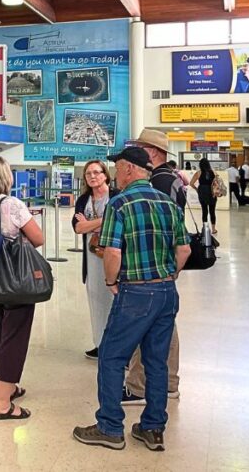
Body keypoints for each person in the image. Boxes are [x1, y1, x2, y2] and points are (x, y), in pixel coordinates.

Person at [73, 146, 190, 453]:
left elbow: (111, 252)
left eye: (117, 169)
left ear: (128, 169)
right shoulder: (168, 203)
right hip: (166, 292)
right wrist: (169, 275)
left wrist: (111, 281)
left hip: (135, 292)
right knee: (156, 360)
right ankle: (153, 428)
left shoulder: (120, 204)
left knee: (111, 356)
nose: (115, 175)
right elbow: (184, 250)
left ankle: (110, 427)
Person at [0, 156, 45, 420]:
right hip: (16, 279)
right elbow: (38, 238)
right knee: (14, 338)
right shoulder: (12, 204)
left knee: (1, 333)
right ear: (6, 177)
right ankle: (2, 403)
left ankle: (9, 387)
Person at [125, 128, 183, 404]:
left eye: (141, 148)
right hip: (167, 260)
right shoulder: (172, 178)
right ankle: (169, 382)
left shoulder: (157, 182)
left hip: (151, 261)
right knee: (164, 321)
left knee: (143, 321)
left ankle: (138, 385)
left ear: (153, 152)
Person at [72, 160, 119, 360]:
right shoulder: (83, 200)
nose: (93, 176)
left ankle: (117, 347)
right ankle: (100, 344)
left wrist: (90, 223)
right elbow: (78, 228)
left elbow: (117, 220)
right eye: (88, 173)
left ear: (105, 175)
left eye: (97, 172)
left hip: (113, 255)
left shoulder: (117, 197)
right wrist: (103, 221)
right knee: (96, 300)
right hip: (92, 259)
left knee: (114, 301)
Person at [192, 158, 218, 234]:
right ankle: (213, 229)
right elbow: (216, 184)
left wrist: (197, 190)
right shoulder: (213, 172)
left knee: (204, 211)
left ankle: (205, 228)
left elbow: (191, 183)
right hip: (211, 192)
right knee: (212, 211)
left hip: (202, 192)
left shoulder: (198, 173)